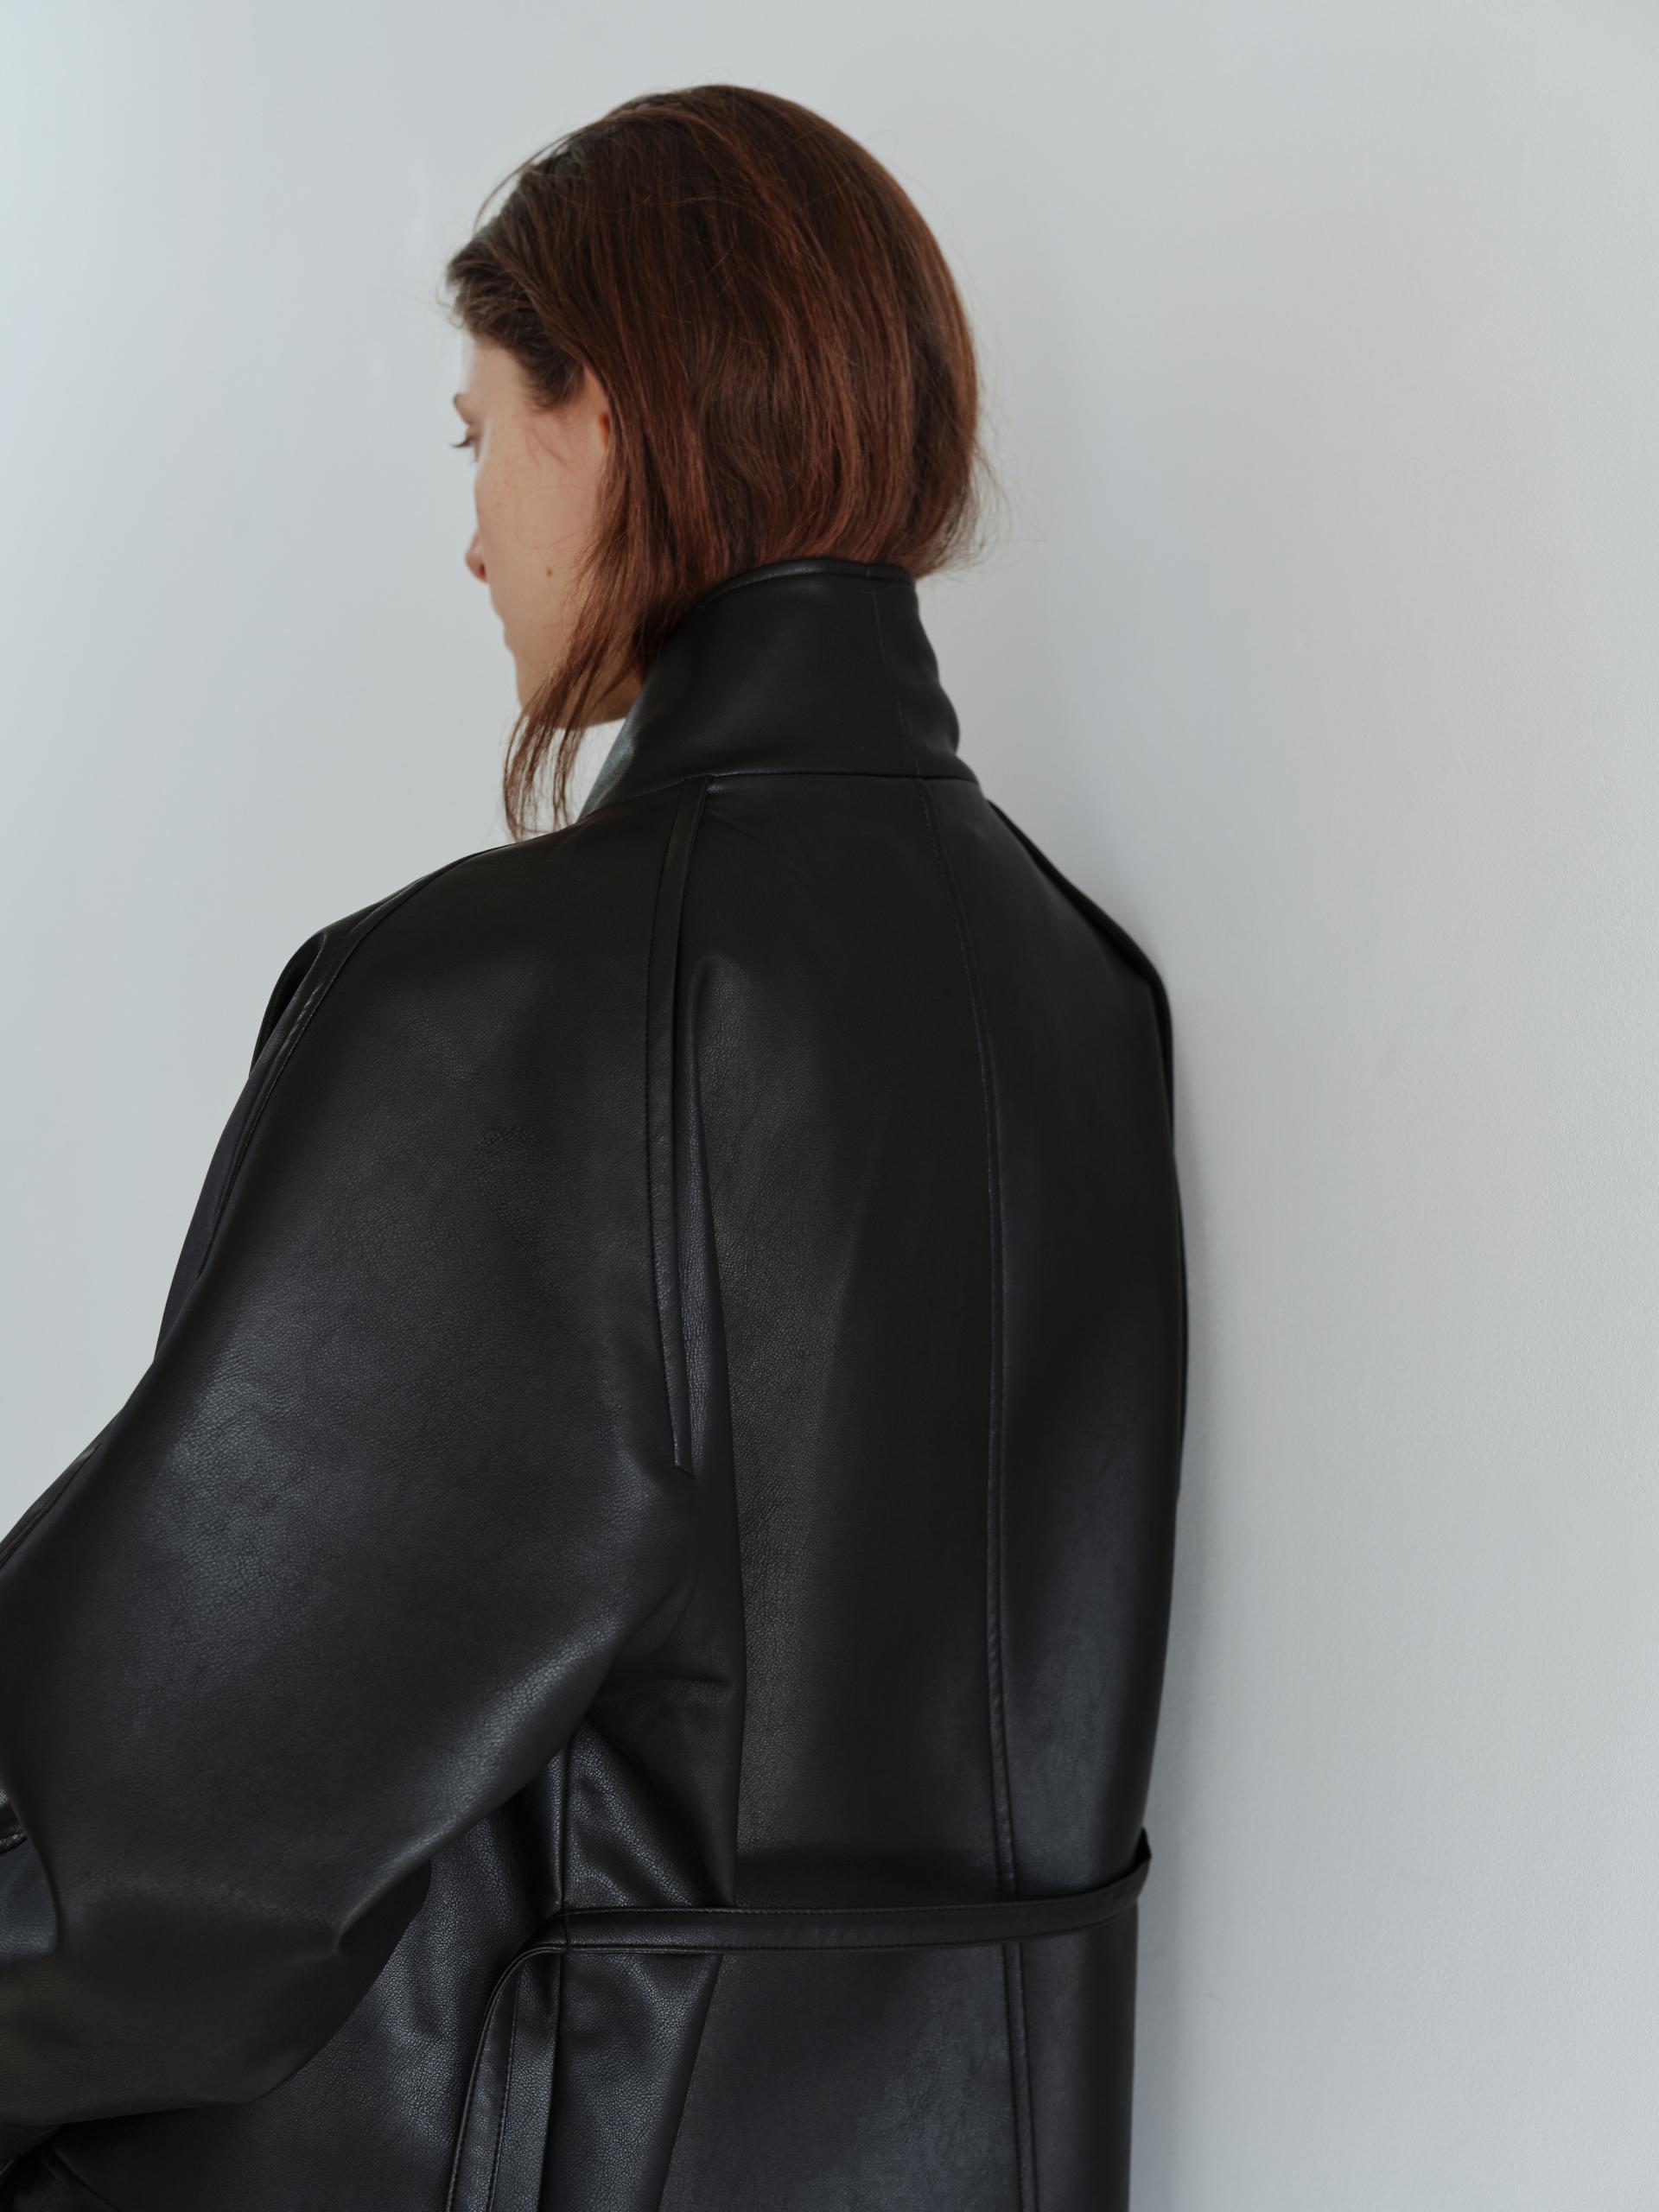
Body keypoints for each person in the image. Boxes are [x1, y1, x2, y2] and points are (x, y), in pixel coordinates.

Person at [0, 81, 1187, 2212]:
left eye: (480, 431)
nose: (473, 535)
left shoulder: (520, 1003)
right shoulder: (1076, 985)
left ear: (610, 416)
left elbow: (156, 1848)